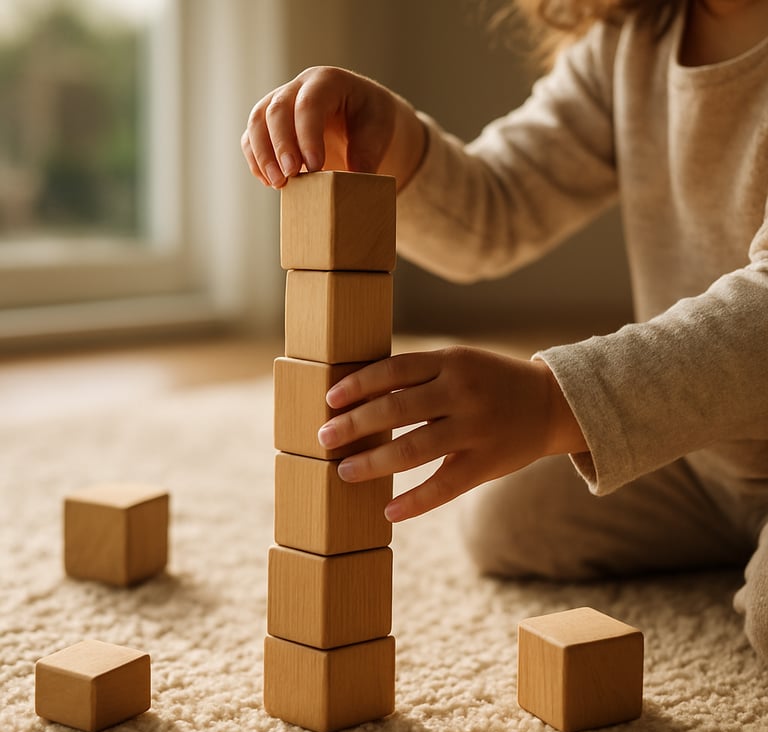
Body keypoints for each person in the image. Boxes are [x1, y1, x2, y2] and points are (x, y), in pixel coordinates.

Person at [241, 0, 768, 661]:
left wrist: (554, 402)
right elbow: (496, 207)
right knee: (512, 519)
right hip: (703, 451)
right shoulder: (630, 42)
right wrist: (400, 148)